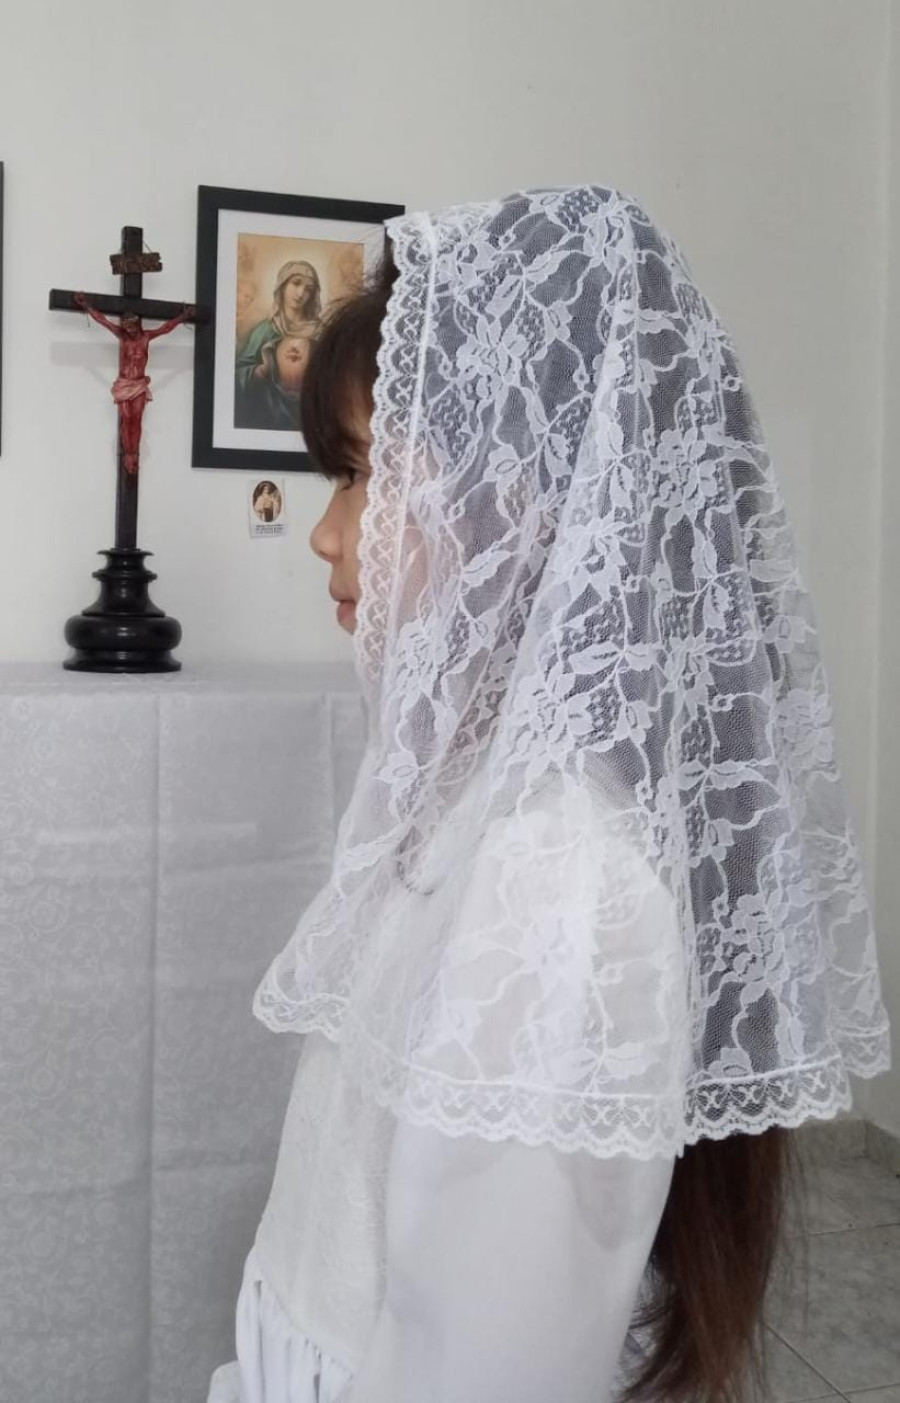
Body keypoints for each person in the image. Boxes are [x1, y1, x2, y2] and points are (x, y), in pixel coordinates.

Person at [207, 186, 891, 1403]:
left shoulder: (558, 886)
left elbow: (481, 1366)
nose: (326, 534)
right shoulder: (475, 799)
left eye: (363, 474)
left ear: (525, 511)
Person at [235, 261, 322, 431]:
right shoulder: (265, 330)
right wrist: (262, 370)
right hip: (268, 415)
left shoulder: (321, 331)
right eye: (296, 283)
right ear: (283, 285)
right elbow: (238, 372)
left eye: (308, 289)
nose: (301, 293)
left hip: (310, 416)